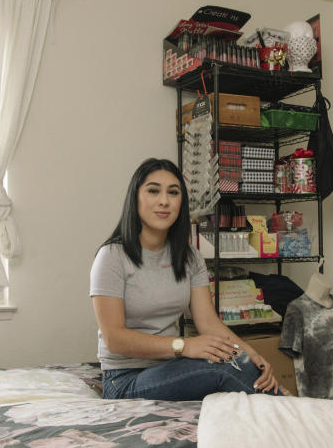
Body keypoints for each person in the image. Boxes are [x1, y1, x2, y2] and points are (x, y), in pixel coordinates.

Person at [90, 157, 280, 400]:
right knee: (220, 366)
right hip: (125, 378)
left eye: (173, 192)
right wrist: (184, 346)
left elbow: (208, 323)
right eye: (153, 191)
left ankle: (289, 414)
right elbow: (114, 338)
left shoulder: (190, 256)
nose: (164, 201)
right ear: (135, 198)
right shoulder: (112, 256)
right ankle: (294, 417)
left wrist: (250, 355)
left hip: (169, 367)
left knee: (238, 362)